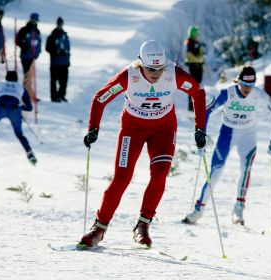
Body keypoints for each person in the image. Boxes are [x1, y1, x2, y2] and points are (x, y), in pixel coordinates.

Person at [78, 40, 207, 248]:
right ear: (140, 64)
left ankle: (143, 225)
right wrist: (93, 128)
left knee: (160, 173)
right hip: (132, 130)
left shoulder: (174, 74)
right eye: (150, 68)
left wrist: (200, 128)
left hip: (163, 130)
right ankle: (99, 228)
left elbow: (198, 93)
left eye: (159, 68)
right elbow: (100, 98)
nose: (155, 73)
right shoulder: (129, 75)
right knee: (122, 178)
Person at [182, 66, 271, 225]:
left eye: (251, 85)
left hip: (248, 135)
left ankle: (238, 209)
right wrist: (202, 136)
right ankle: (198, 210)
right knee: (216, 171)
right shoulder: (228, 93)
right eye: (244, 84)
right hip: (228, 133)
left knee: (246, 169)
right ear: (238, 81)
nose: (248, 88)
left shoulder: (258, 95)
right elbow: (206, 111)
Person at [16, 13, 41, 101]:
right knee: (27, 75)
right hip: (25, 56)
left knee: (30, 76)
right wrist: (24, 45)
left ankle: (28, 93)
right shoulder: (24, 30)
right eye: (33, 20)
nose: (34, 22)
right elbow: (18, 40)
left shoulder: (37, 31)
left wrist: (38, 53)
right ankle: (26, 94)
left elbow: (38, 43)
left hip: (33, 56)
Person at [45, 17, 70, 102]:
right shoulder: (52, 35)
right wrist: (55, 51)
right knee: (54, 80)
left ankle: (61, 95)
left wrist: (68, 59)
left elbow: (68, 48)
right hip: (55, 62)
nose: (60, 25)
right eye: (59, 23)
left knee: (64, 80)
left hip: (64, 62)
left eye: (61, 23)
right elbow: (47, 48)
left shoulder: (65, 35)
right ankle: (54, 97)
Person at [185, 25, 205, 111]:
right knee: (194, 86)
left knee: (196, 87)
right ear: (193, 35)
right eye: (197, 35)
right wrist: (200, 48)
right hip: (194, 68)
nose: (198, 36)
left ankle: (194, 105)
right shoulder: (190, 43)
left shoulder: (194, 43)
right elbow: (194, 55)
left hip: (197, 67)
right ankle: (192, 106)